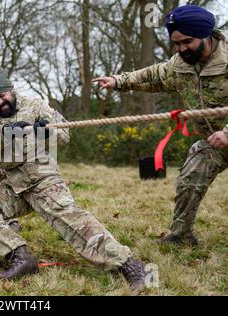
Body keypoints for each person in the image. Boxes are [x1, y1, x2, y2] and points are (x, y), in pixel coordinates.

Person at [0, 69, 147, 293]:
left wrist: (47, 133)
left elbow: (65, 135)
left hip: (42, 180)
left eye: (2, 95)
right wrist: (4, 132)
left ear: (11, 91)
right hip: (13, 188)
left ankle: (128, 265)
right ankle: (20, 257)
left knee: (71, 219)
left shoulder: (35, 105)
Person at [93, 4, 228, 246]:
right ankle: (181, 236)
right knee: (189, 177)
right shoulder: (181, 65)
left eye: (187, 42)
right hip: (214, 142)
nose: (181, 48)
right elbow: (153, 75)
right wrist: (118, 81)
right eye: (176, 43)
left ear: (205, 34)